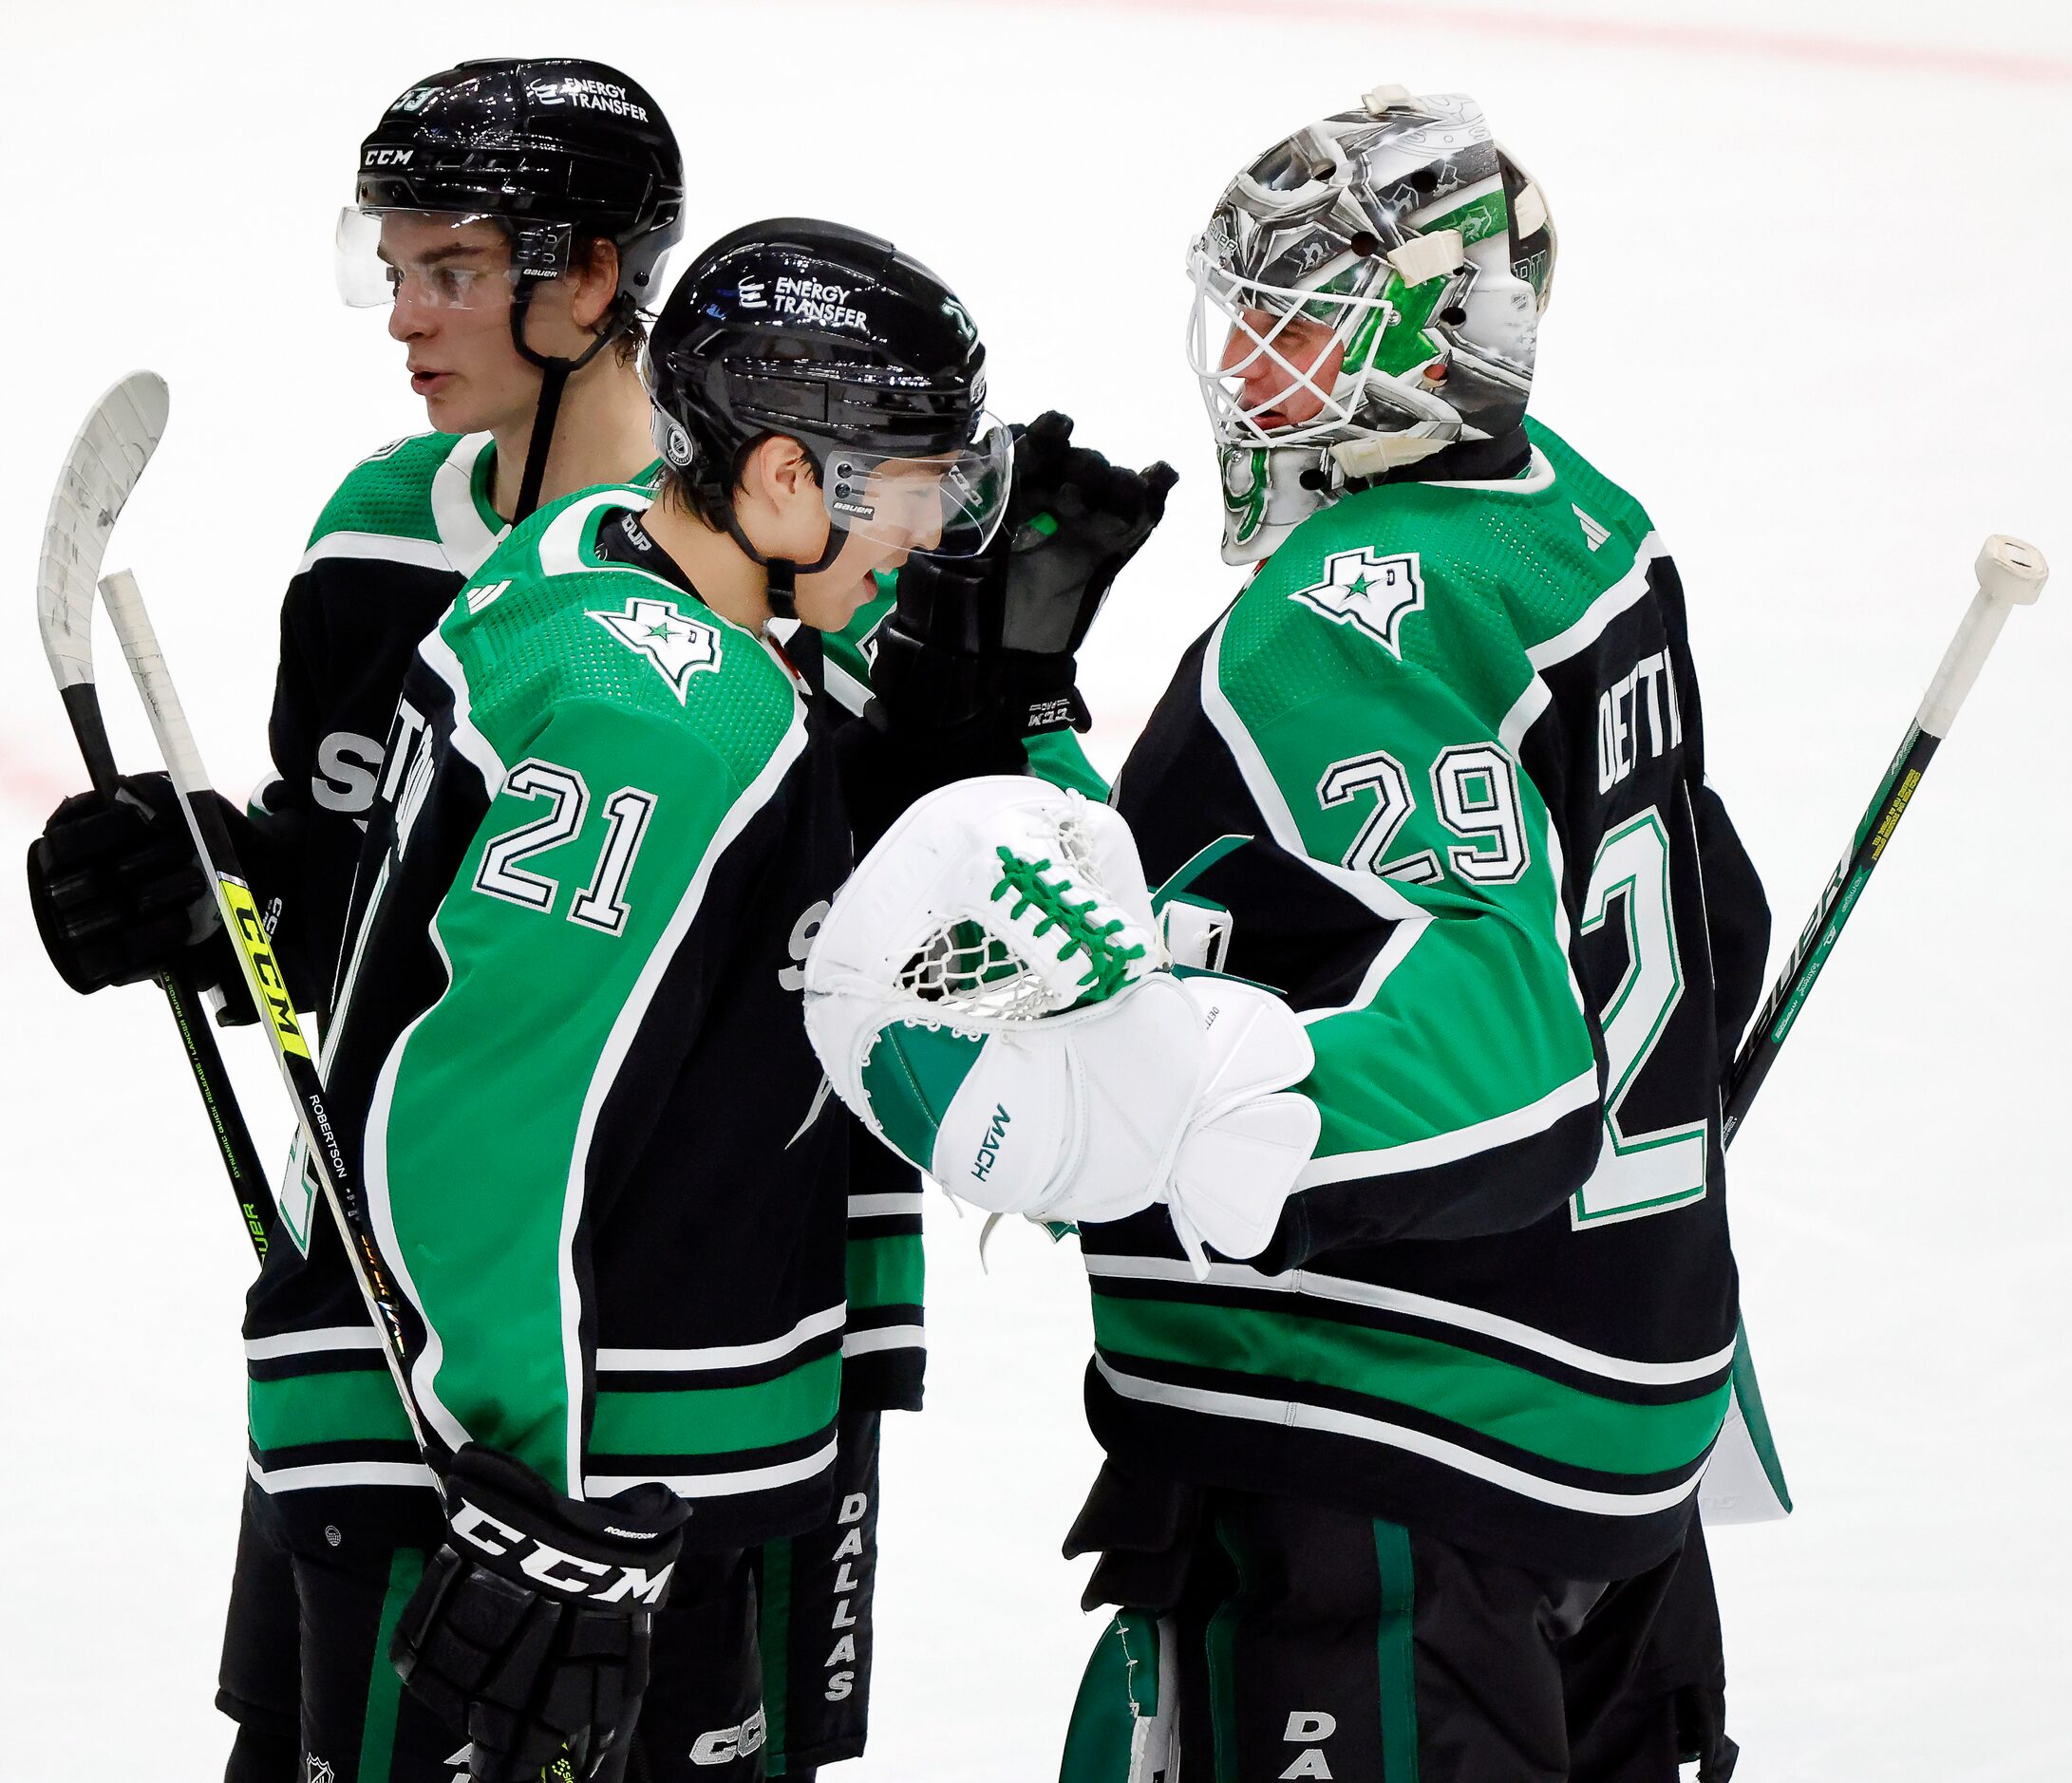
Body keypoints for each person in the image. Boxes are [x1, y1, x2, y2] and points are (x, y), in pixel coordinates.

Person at [803, 87, 1767, 1782]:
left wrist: (1243, 1110)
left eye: (1302, 321)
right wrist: (1022, 718)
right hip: (1614, 1419)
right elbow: (1703, 907)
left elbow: (1497, 1037)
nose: (1247, 368)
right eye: (1243, 315)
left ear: (1442, 329)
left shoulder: (1330, 616)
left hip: (1387, 1438)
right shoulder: (1575, 529)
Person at [300, 218, 1172, 1781]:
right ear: (779, 480)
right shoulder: (671, 711)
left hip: (634, 1451)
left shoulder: (600, 575)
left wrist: (983, 716)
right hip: (554, 1480)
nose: (929, 536)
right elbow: (488, 1116)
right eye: (911, 489)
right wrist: (530, 1510)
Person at [25, 57, 688, 1780]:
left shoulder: (761, 552)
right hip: (375, 1305)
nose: (403, 316)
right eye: (386, 265)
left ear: (592, 277)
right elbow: (342, 904)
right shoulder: (377, 537)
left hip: (666, 1369)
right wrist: (193, 888)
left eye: (451, 269)